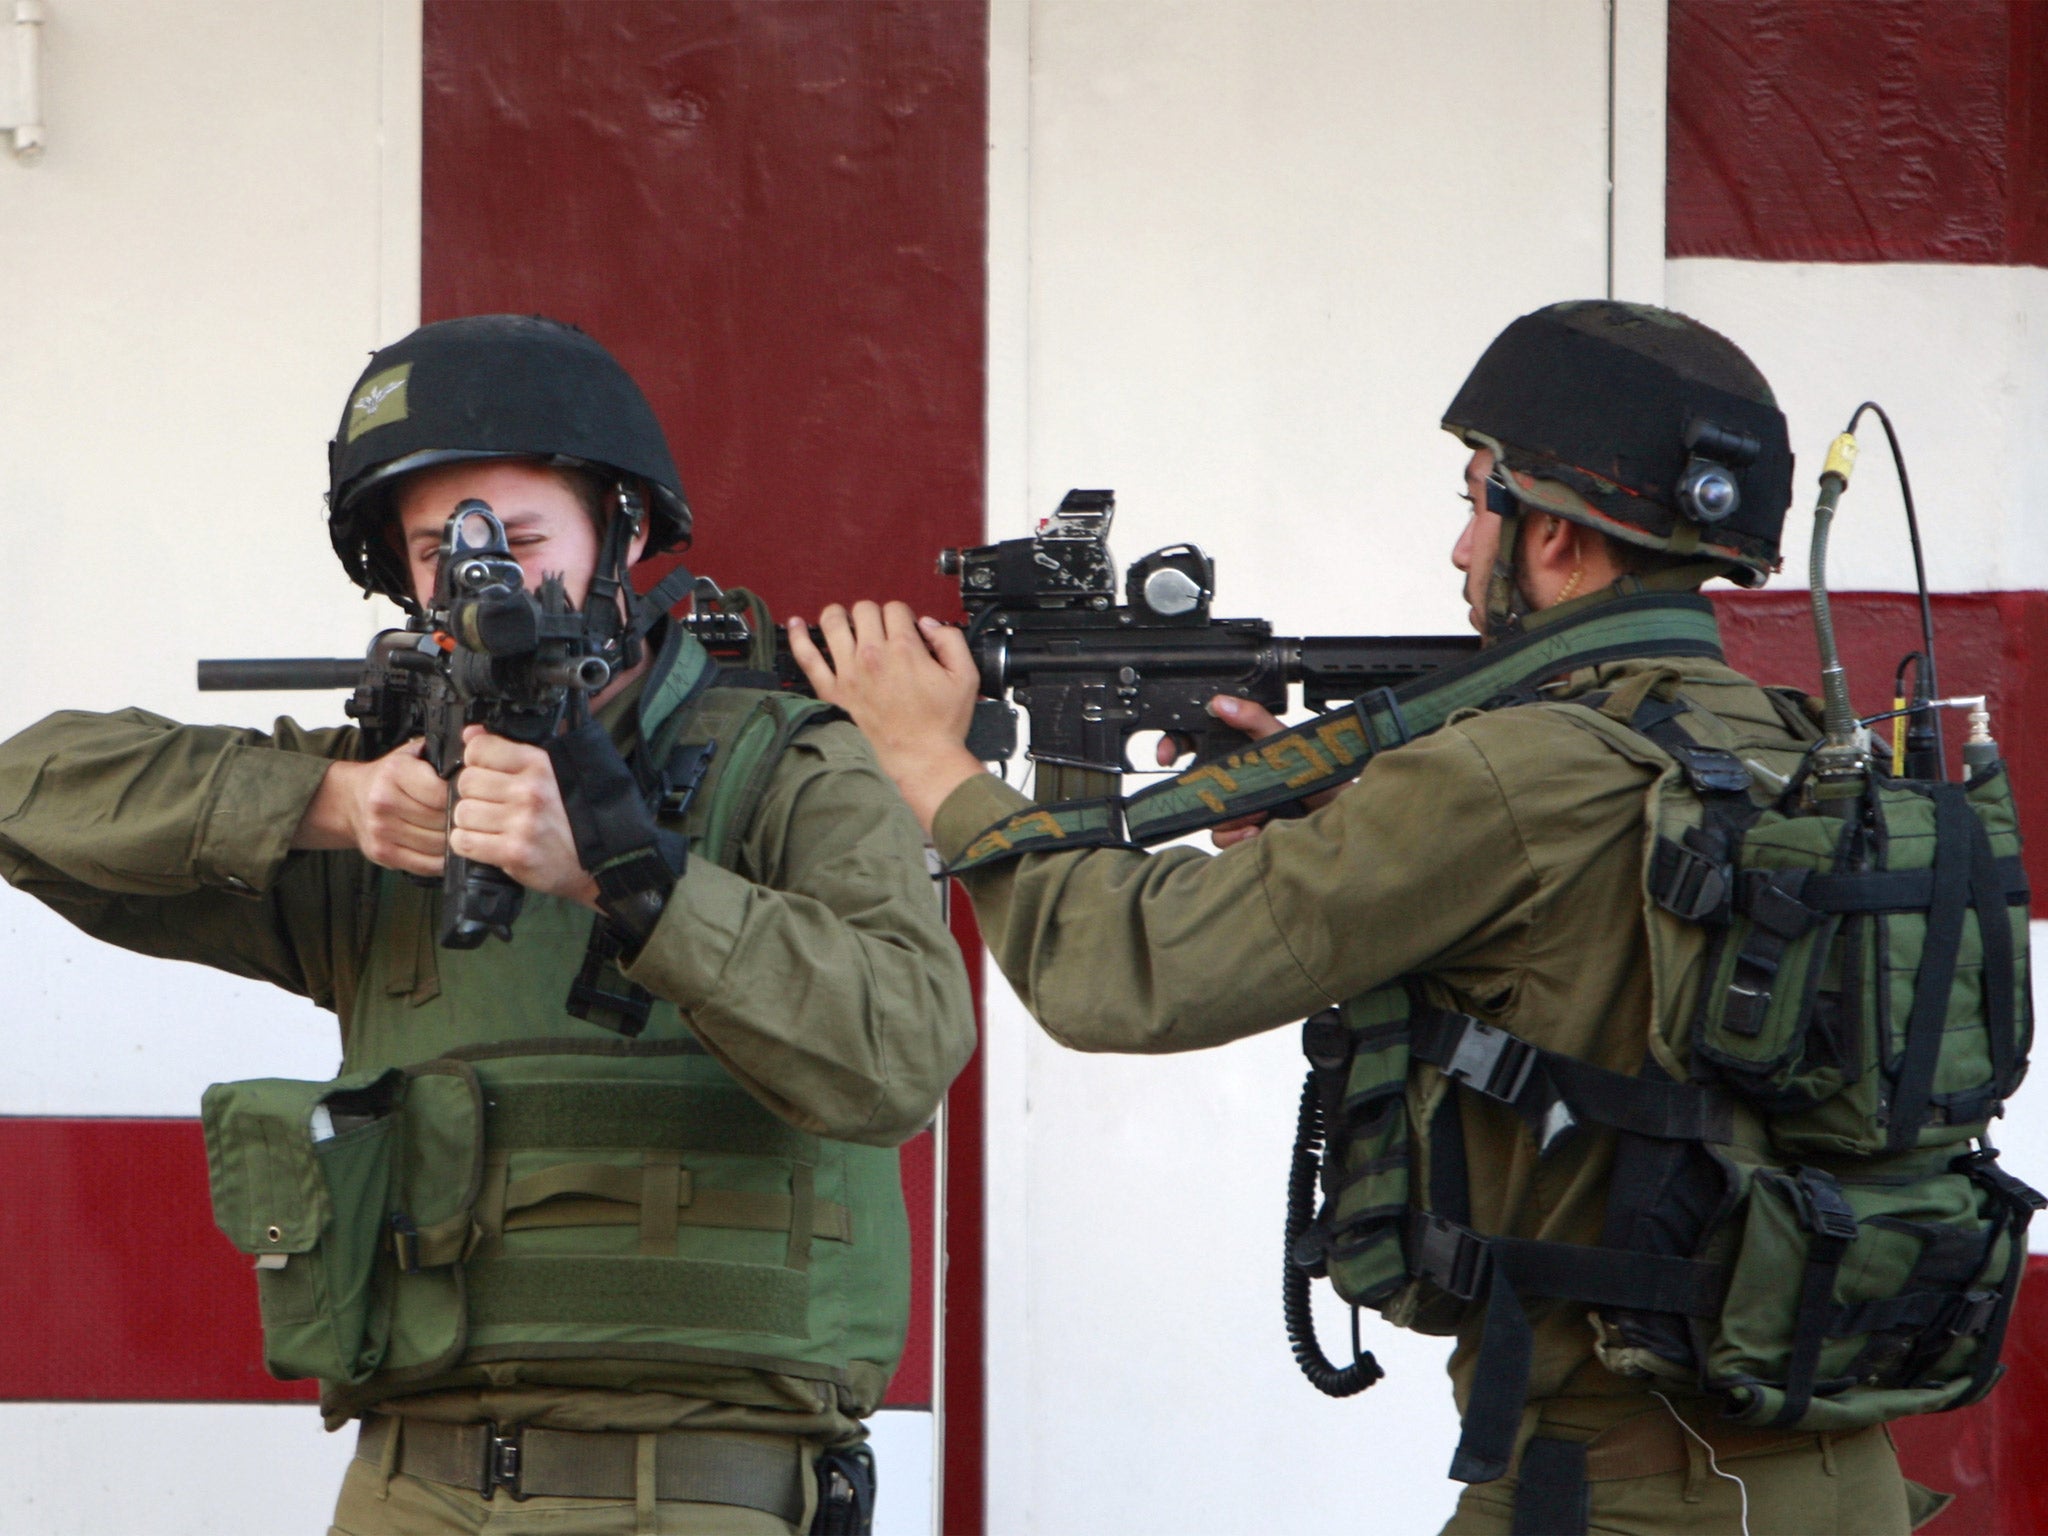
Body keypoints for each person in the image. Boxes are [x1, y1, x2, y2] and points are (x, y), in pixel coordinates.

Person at [788, 301, 1960, 1534]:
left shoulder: (1500, 774)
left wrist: (929, 765)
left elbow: (1120, 974)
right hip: (1835, 1481)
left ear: (1552, 536)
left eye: (1476, 501)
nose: (1461, 549)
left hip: (1618, 1494)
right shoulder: (1783, 746)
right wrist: (1366, 828)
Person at [0, 314, 976, 1535]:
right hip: (411, 1486)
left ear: (622, 534)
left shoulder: (786, 771)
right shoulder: (395, 794)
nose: (487, 583)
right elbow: (26, 799)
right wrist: (327, 801)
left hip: (690, 1491)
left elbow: (899, 1059)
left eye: (521, 540)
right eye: (437, 555)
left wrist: (628, 877)